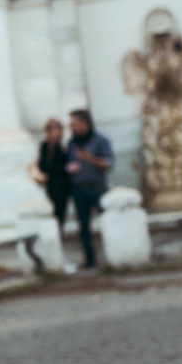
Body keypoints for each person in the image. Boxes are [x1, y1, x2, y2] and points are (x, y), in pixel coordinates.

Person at [66, 108, 116, 268]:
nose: (72, 128)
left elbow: (109, 164)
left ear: (85, 123)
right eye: (71, 125)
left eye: (75, 124)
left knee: (108, 222)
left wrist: (90, 159)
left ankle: (115, 255)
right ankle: (90, 260)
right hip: (79, 189)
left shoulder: (100, 140)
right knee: (83, 227)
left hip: (98, 187)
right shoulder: (72, 143)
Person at [31, 117, 73, 230]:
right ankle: (55, 234)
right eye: (53, 129)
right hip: (54, 184)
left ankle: (59, 232)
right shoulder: (46, 146)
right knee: (56, 212)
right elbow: (43, 166)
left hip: (67, 184)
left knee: (63, 212)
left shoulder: (65, 144)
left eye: (58, 128)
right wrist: (65, 168)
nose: (56, 131)